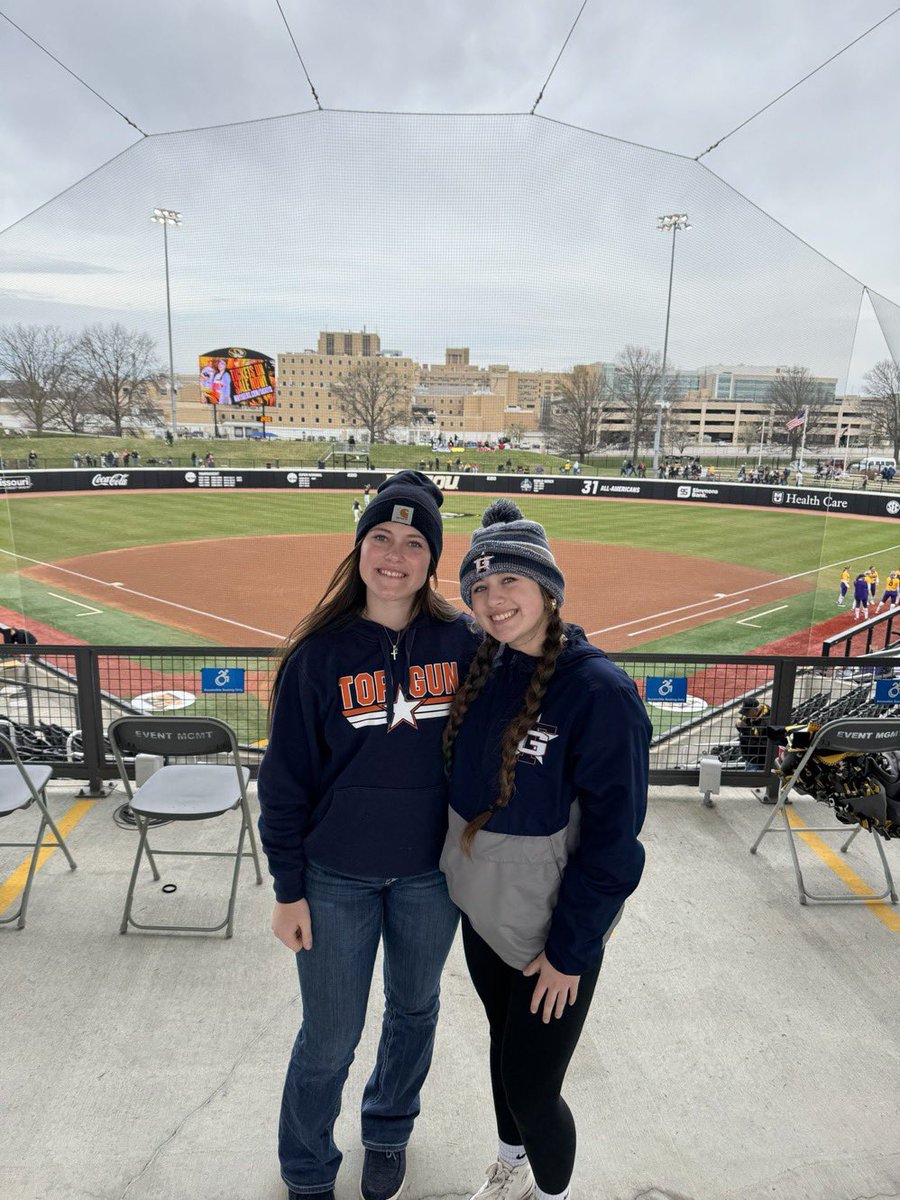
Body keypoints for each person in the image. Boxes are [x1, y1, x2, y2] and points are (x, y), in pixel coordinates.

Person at [257, 471, 477, 1200]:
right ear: (358, 548)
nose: (395, 553)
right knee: (329, 1038)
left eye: (414, 542)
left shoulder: (464, 642)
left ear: (431, 559)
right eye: (380, 536)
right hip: (334, 879)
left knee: (414, 1013)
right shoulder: (317, 655)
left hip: (430, 877)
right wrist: (289, 891)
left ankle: (387, 1129)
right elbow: (283, 785)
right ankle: (307, 1167)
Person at [440, 499, 650, 1200]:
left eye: (510, 583)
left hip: (551, 936)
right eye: (479, 586)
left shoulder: (599, 692)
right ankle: (511, 1169)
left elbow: (616, 847)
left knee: (534, 1088)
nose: (492, 600)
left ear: (548, 590)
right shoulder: (485, 668)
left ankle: (551, 1193)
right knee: (505, 1059)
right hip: (484, 917)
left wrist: (569, 951)